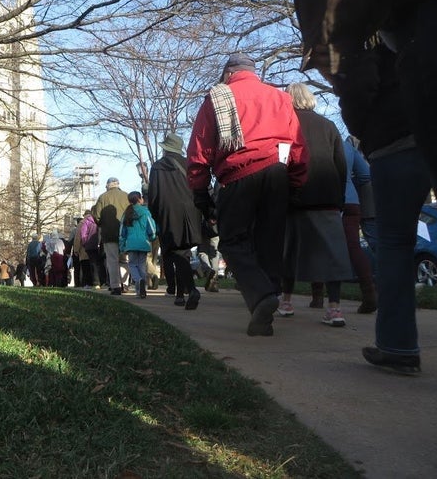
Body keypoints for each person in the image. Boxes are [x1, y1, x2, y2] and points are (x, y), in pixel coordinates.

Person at [291, 0, 437, 372]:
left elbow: (357, 90)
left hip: (394, 142)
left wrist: (363, 126)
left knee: (393, 245)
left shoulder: (372, 31)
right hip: (401, 141)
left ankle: (397, 345)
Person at [187, 53, 309, 336]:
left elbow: (199, 150)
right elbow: (298, 145)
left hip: (237, 175)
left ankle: (261, 297)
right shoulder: (279, 98)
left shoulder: (217, 98)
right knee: (269, 240)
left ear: (228, 73)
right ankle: (265, 307)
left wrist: (200, 191)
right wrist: (296, 181)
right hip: (277, 173)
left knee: (231, 241)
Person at [278, 83, 352, 326]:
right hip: (326, 198)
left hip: (295, 198)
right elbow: (341, 165)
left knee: (289, 251)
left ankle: (286, 301)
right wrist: (339, 197)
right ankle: (335, 308)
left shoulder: (285, 127)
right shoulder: (329, 126)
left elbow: (281, 163)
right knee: (333, 254)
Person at [148, 132, 202, 310]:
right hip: (191, 211)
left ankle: (191, 290)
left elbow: (153, 196)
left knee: (175, 253)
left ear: (165, 149)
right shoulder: (190, 164)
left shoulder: (157, 167)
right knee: (182, 253)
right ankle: (180, 295)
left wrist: (156, 215)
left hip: (169, 213)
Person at [343, 139, 378, 314]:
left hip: (322, 200)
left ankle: (319, 298)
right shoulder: (348, 146)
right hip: (352, 200)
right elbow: (365, 174)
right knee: (354, 246)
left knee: (320, 246)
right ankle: (370, 293)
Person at [92, 177, 130, 295]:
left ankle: (115, 286)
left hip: (108, 233)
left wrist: (101, 223)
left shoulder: (103, 197)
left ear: (108, 185)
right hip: (125, 232)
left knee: (112, 260)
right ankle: (125, 284)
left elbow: (97, 216)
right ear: (118, 184)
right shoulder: (126, 196)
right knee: (124, 260)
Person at [119, 191, 158, 298]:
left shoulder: (126, 213)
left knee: (132, 265)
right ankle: (142, 289)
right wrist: (152, 237)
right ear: (140, 199)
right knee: (141, 266)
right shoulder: (145, 212)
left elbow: (122, 232)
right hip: (143, 242)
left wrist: (122, 246)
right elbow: (152, 227)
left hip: (131, 244)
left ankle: (138, 282)